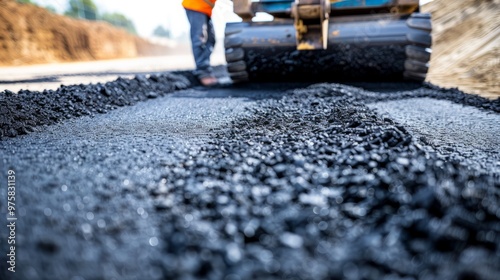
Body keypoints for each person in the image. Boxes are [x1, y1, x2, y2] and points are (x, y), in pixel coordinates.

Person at [182, 0, 218, 86]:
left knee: (211, 40)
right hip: (196, 5)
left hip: (205, 9)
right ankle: (203, 72)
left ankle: (206, 69)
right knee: (199, 39)